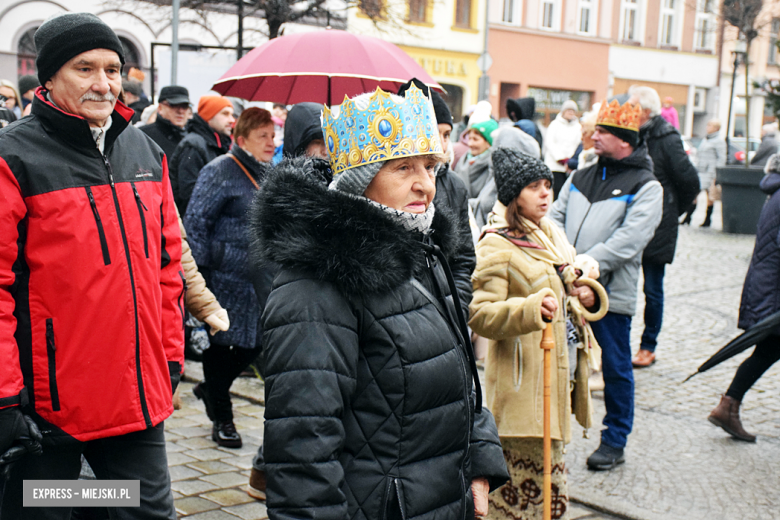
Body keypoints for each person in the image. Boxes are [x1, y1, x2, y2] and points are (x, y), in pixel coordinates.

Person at [251, 84, 509, 520]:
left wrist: (480, 459)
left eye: (429, 166)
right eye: (402, 167)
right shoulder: (314, 287)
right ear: (360, 180)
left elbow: (461, 377)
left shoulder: (423, 252)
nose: (424, 184)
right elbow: (304, 448)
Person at [0, 13, 184, 519]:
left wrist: (169, 353)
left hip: (135, 397)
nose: (104, 83)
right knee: (44, 509)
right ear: (50, 77)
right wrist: (4, 396)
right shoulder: (13, 158)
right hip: (47, 406)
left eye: (113, 69)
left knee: (143, 510)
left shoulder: (144, 150)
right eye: (85, 68)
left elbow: (168, 267)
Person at [470, 148, 608, 519]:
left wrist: (584, 292)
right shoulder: (497, 244)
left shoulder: (552, 236)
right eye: (534, 186)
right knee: (516, 506)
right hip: (521, 393)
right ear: (514, 194)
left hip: (555, 385)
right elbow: (480, 315)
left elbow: (566, 297)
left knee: (550, 499)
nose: (546, 193)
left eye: (548, 184)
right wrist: (530, 310)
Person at [549, 99, 663, 470]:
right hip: (566, 286)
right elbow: (555, 218)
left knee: (614, 366)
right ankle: (555, 433)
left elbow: (628, 241)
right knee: (560, 360)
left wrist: (583, 268)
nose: (593, 135)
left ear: (624, 140)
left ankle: (615, 438)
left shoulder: (647, 186)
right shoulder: (581, 175)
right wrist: (564, 265)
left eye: (603, 131)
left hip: (609, 294)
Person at [185, 108, 275, 448]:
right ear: (241, 138)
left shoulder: (269, 172)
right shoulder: (219, 170)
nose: (271, 142)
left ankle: (210, 389)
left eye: (273, 134)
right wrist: (200, 279)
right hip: (222, 279)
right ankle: (222, 416)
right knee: (220, 346)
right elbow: (195, 224)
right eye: (263, 135)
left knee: (253, 345)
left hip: (258, 280)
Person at [707, 154, 780, 443]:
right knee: (769, 349)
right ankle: (728, 405)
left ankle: (728, 405)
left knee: (769, 349)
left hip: (770, 287)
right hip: (773, 290)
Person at [629, 86, 700, 368]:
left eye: (633, 106)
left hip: (660, 223)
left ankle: (648, 346)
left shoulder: (667, 137)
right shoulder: (635, 134)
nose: (628, 110)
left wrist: (671, 209)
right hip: (633, 220)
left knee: (653, 289)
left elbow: (690, 181)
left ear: (645, 111)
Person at [398, 78, 476, 318]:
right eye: (435, 132)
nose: (442, 143)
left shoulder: (455, 186)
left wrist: (456, 310)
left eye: (447, 134)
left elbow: (463, 259)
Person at [169, 95, 235, 213]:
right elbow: (189, 193)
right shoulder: (194, 145)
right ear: (209, 116)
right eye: (225, 114)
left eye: (232, 114)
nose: (232, 120)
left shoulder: (219, 143)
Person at [455, 116, 500, 228]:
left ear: (488, 142)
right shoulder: (463, 161)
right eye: (469, 139)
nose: (470, 144)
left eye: (476, 139)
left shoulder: (493, 167)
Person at [683, 119, 725, 226]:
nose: (707, 127)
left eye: (710, 125)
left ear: (716, 128)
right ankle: (688, 217)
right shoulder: (706, 139)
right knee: (694, 194)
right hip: (701, 171)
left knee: (710, 197)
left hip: (711, 173)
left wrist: (717, 174)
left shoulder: (719, 141)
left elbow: (721, 158)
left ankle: (707, 220)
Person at [544, 100, 582, 199]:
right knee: (556, 192)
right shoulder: (555, 125)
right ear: (563, 111)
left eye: (573, 111)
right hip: (555, 166)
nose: (571, 113)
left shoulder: (578, 127)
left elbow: (578, 144)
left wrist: (571, 160)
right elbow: (550, 143)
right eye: (569, 110)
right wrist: (561, 158)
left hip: (570, 166)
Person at [141, 85, 191, 157]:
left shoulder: (194, 136)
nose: (180, 111)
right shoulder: (145, 136)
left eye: (184, 106)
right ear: (160, 108)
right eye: (173, 105)